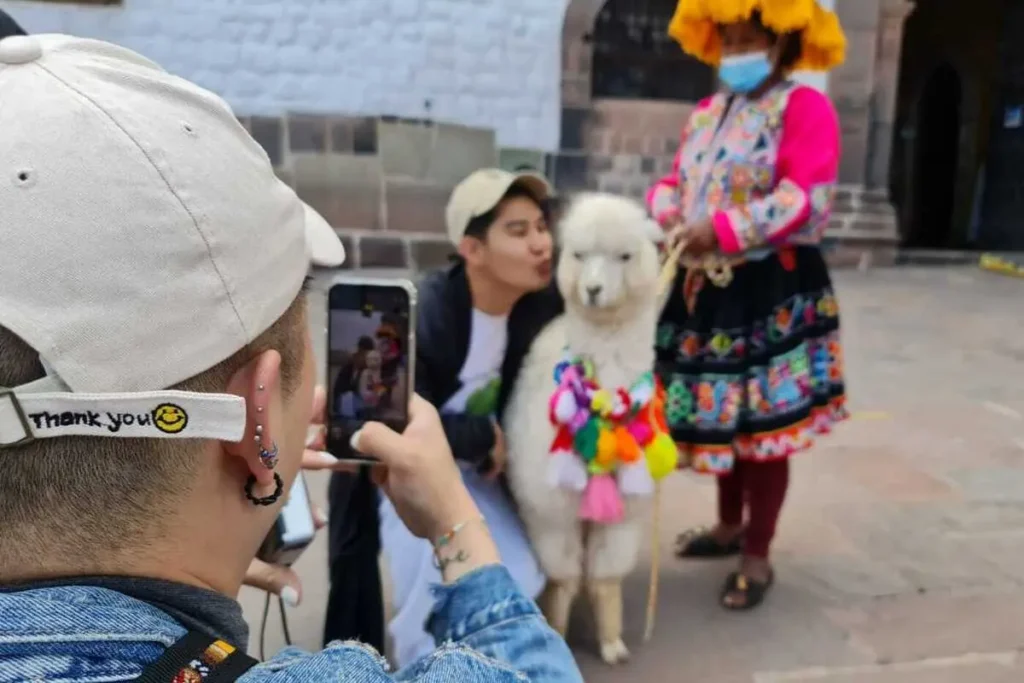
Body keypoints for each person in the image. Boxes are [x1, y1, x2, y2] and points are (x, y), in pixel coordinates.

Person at [0, 33, 583, 683]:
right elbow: (532, 671)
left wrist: (186, 551)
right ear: (257, 417)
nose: (541, 242)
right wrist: (454, 521)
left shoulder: (540, 309)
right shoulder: (445, 310)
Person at [650, 1, 848, 610]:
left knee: (764, 426)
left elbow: (806, 200)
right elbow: (675, 182)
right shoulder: (706, 114)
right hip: (706, 289)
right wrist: (668, 211)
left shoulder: (803, 108)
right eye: (729, 38)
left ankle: (757, 553)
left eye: (748, 39)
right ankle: (727, 525)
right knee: (723, 417)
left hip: (770, 289)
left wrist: (726, 229)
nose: (736, 50)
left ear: (782, 44)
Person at [377, 168, 565, 665]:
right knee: (427, 595)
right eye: (518, 231)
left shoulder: (540, 305)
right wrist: (480, 434)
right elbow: (392, 418)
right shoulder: (429, 313)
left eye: (542, 227)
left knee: (523, 576)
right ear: (472, 249)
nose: (541, 244)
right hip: (412, 473)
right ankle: (421, 669)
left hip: (482, 477)